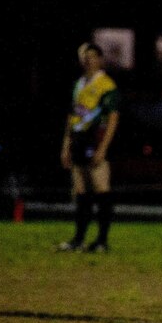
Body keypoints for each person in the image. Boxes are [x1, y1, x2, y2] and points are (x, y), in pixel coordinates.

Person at [56, 42, 121, 253]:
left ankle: (102, 241)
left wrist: (103, 148)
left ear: (100, 59)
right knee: (81, 192)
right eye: (85, 56)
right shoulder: (79, 84)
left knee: (102, 190)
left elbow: (112, 118)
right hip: (78, 140)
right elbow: (72, 116)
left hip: (95, 141)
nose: (88, 60)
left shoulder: (107, 85)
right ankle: (79, 239)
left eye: (92, 56)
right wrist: (66, 145)